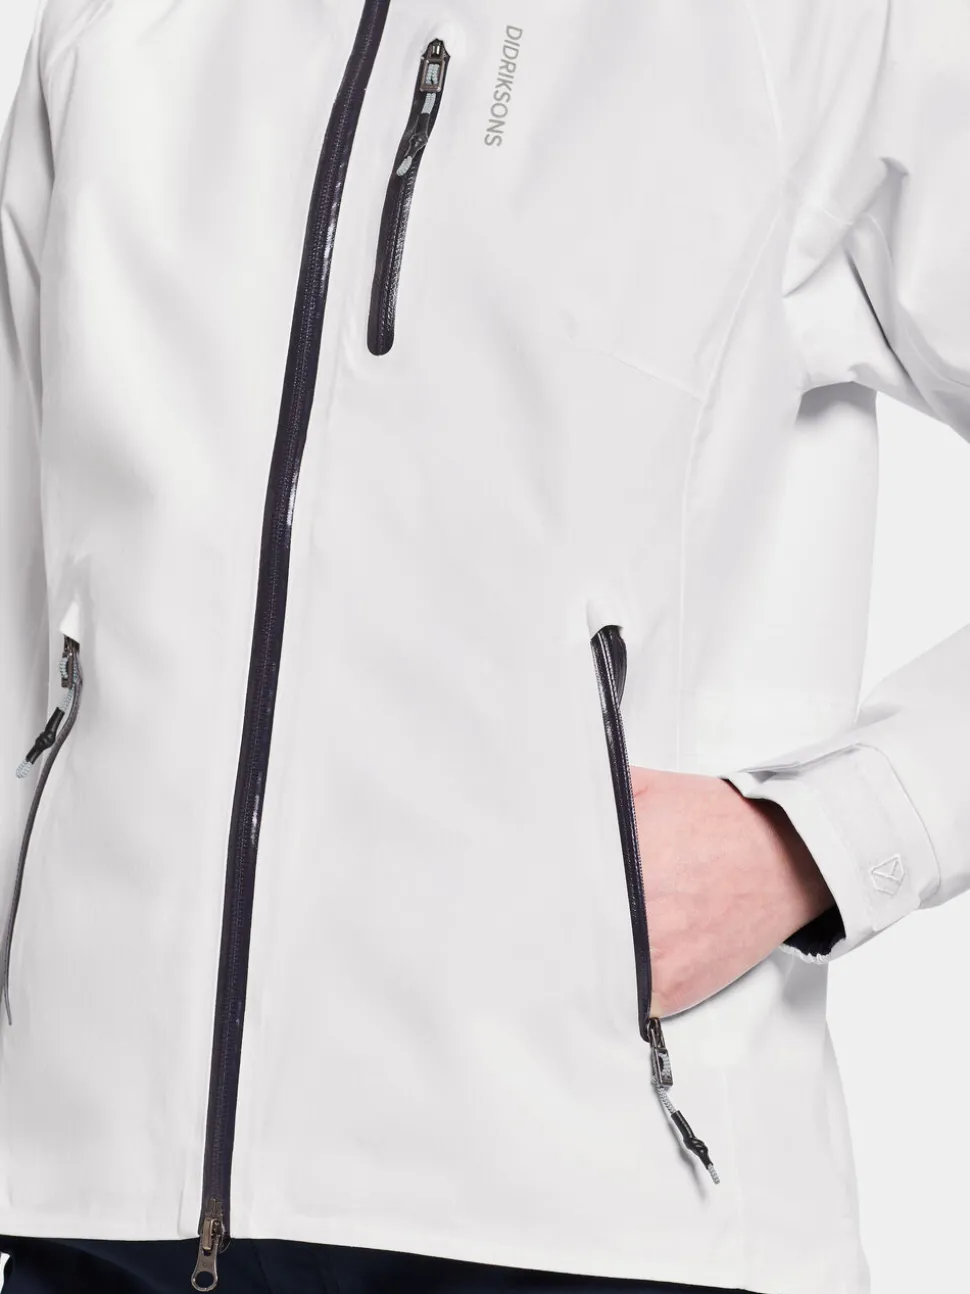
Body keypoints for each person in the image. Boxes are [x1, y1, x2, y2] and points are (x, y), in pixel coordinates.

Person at [1, 0, 968, 1290]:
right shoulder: (114, 32)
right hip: (96, 1210)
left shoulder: (797, 28)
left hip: (593, 1215)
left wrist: (828, 836)